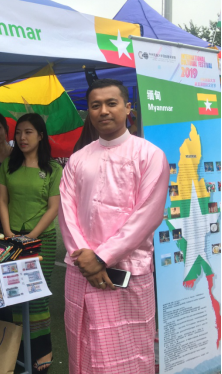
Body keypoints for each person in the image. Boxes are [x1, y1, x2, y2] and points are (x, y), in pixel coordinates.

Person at [59, 79, 169, 374]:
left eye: (111, 103)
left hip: (126, 271)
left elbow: (148, 215)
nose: (103, 111)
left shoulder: (150, 155)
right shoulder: (78, 159)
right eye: (95, 105)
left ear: (128, 107)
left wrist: (101, 257)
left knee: (129, 352)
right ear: (89, 112)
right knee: (81, 344)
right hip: (81, 268)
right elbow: (67, 211)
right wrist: (84, 257)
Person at [0, 113, 62, 372]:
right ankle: (17, 352)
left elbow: (53, 208)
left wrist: (30, 237)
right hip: (11, 241)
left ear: (41, 136)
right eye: (19, 132)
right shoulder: (8, 166)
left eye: (29, 132)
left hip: (41, 241)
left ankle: (42, 353)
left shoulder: (53, 169)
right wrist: (9, 232)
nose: (22, 137)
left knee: (37, 296)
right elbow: (2, 200)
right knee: (13, 295)